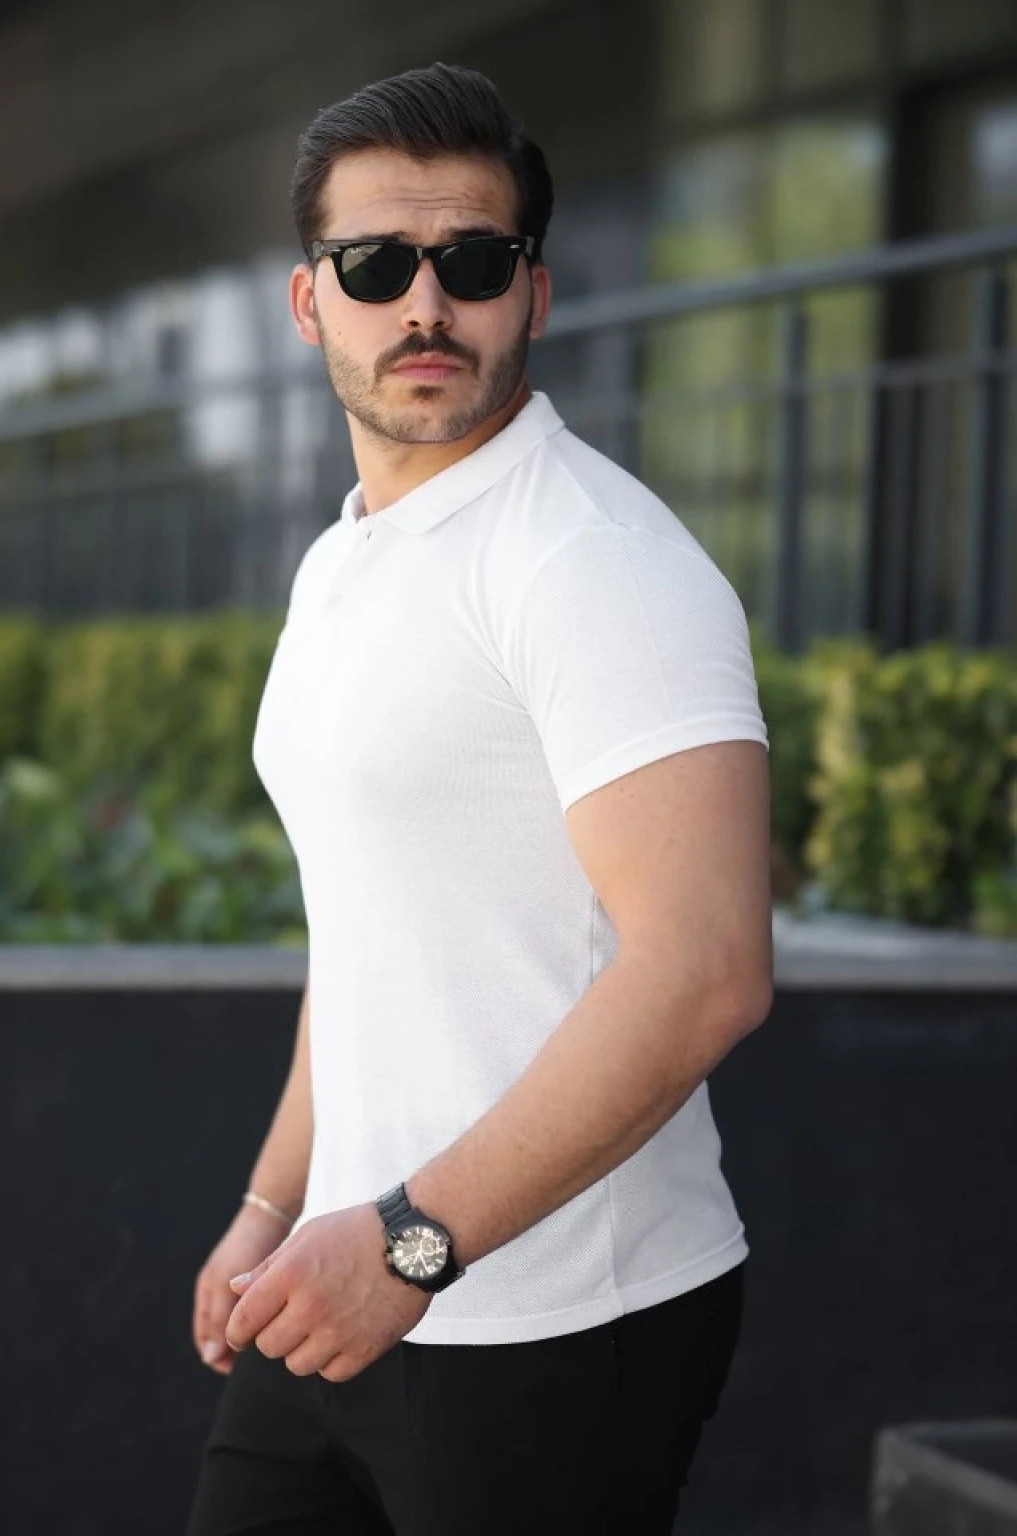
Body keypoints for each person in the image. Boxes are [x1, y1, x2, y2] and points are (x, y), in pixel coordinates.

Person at [186, 60, 772, 1536]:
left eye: (475, 261)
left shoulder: (594, 564)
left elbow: (706, 971)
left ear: (536, 293)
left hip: (552, 1322)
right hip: (340, 1279)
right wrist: (273, 1208)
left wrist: (410, 1245)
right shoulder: (343, 561)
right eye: (376, 266)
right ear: (309, 301)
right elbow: (366, 937)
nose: (427, 304)